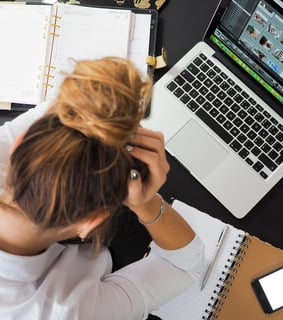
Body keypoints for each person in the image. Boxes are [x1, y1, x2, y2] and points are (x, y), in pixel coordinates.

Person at [0, 57, 204, 319]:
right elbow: (184, 266)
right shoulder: (71, 312)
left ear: (17, 147)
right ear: (90, 222)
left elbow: (59, 109)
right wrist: (147, 203)